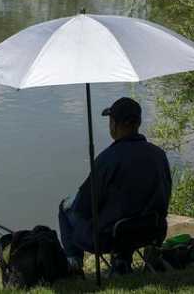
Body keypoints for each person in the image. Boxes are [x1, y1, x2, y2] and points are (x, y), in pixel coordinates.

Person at [58, 97, 172, 275]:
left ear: (115, 124)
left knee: (66, 208)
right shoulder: (159, 155)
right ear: (138, 122)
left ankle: (74, 263)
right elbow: (166, 197)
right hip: (152, 231)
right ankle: (122, 260)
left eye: (110, 120)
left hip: (110, 238)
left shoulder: (107, 159)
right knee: (123, 215)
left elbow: (84, 207)